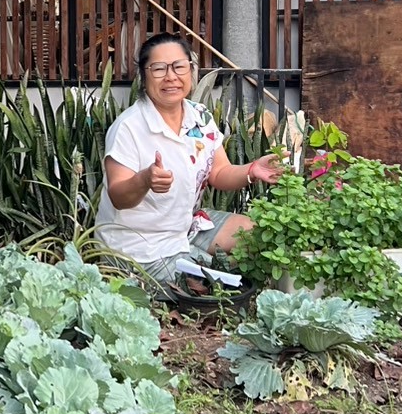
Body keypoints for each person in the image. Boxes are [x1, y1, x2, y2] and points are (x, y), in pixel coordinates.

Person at [95, 32, 284, 299]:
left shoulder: (200, 116)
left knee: (259, 236)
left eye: (179, 66)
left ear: (191, 70)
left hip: (184, 228)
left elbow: (219, 172)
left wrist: (252, 170)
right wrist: (145, 180)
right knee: (212, 287)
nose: (170, 76)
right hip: (138, 246)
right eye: (158, 68)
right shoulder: (129, 127)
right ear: (144, 75)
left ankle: (196, 262)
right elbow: (118, 196)